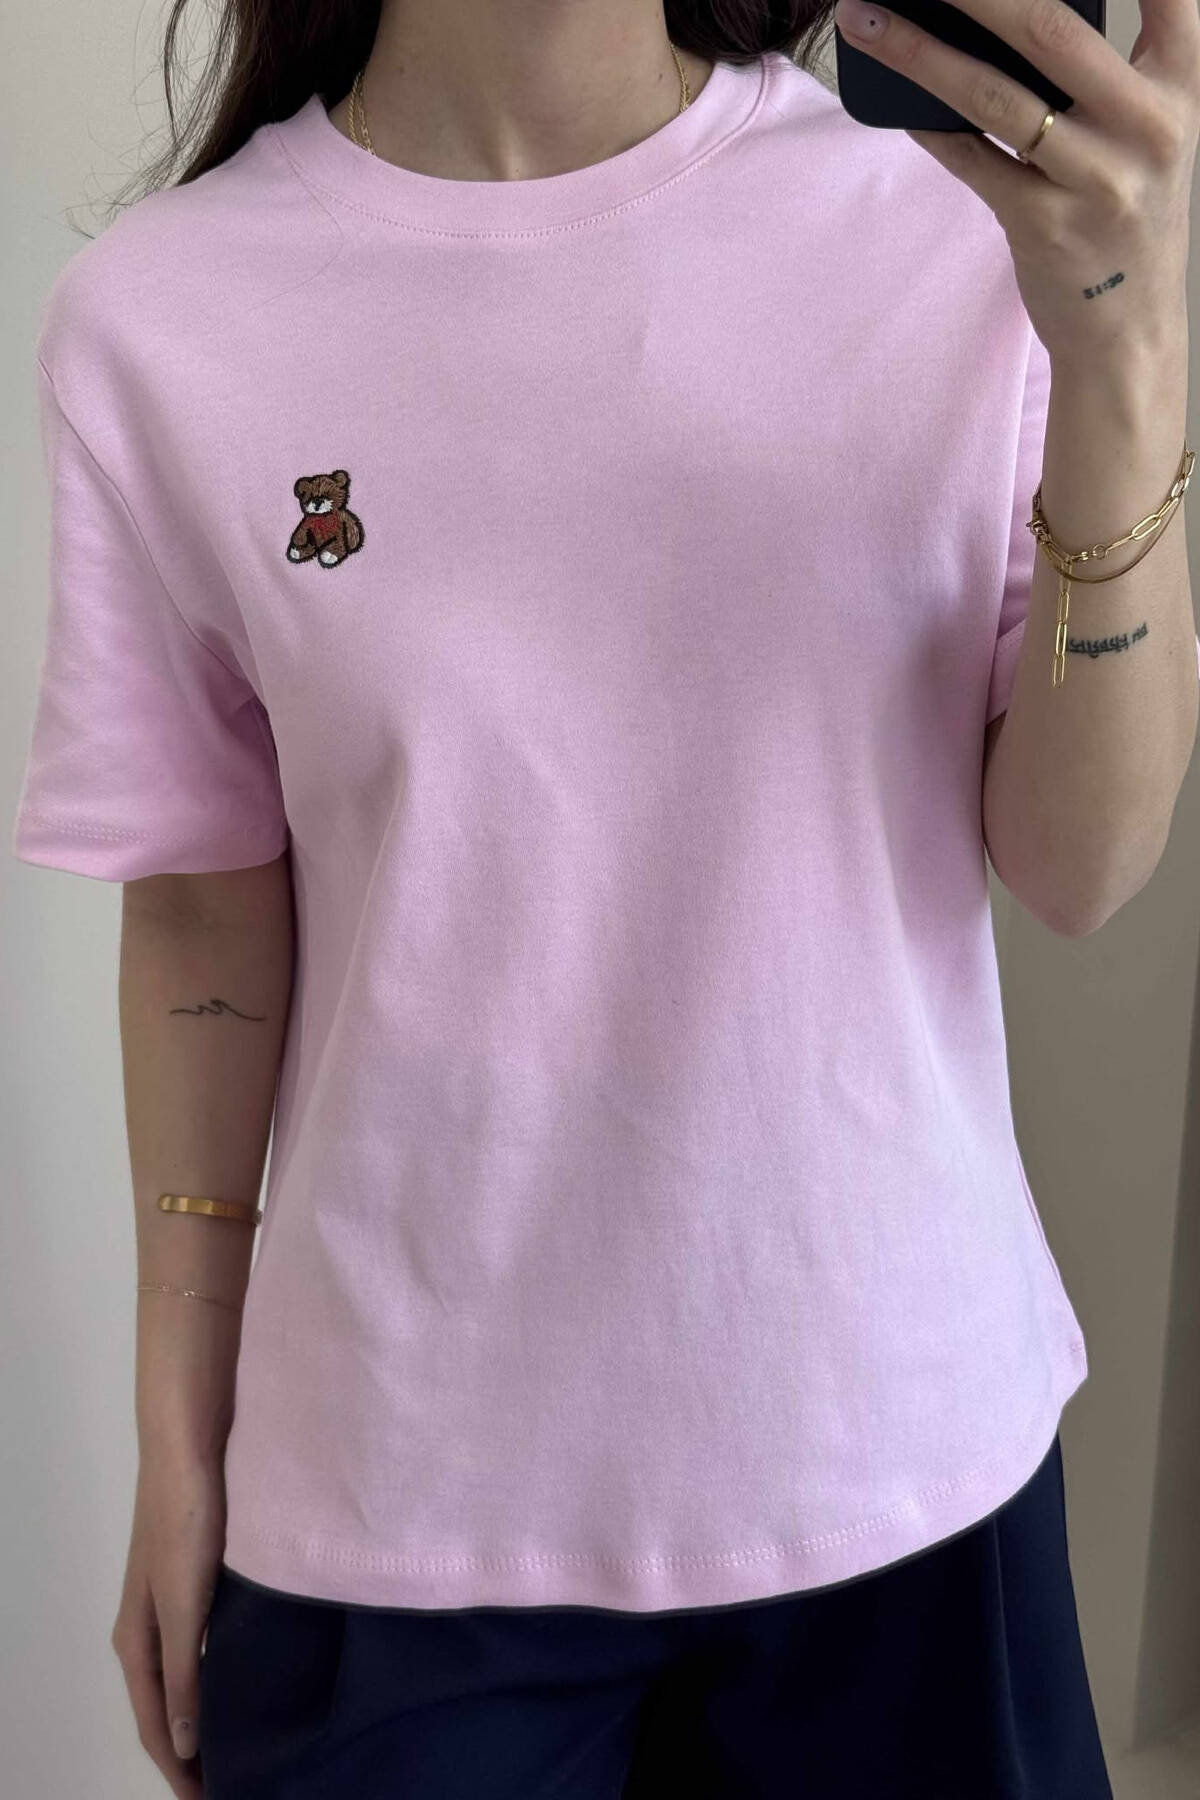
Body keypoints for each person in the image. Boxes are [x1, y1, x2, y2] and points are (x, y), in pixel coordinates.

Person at [16, 0, 1157, 1794]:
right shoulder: (161, 320)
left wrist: (1125, 360)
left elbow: (1079, 869)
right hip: (394, 1498)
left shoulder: (954, 221)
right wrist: (181, 1430)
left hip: (900, 1452)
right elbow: (203, 914)